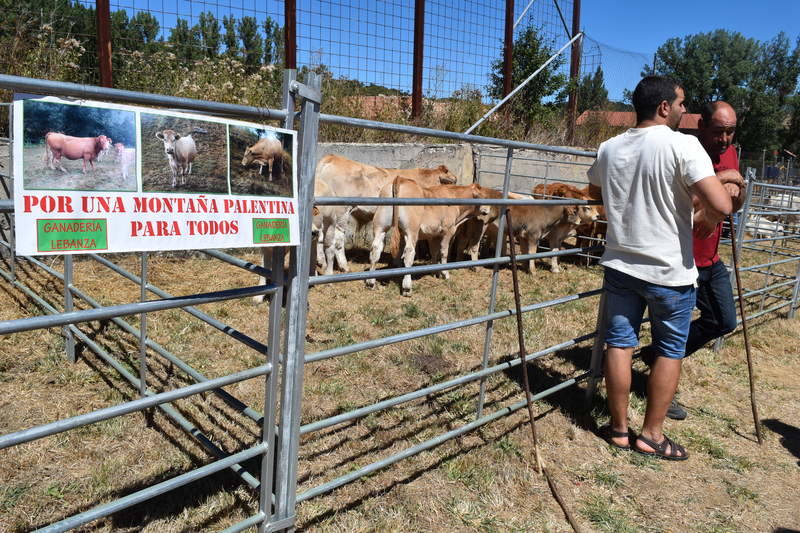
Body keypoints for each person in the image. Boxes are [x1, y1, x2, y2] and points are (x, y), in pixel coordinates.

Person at [587, 76, 732, 460]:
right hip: (669, 271)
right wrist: (714, 201)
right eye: (682, 104)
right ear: (664, 107)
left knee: (620, 344)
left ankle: (619, 429)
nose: (685, 111)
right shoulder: (683, 145)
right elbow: (722, 205)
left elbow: (595, 191)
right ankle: (652, 435)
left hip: (621, 264)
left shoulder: (609, 147)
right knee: (669, 350)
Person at [642, 101, 745, 421]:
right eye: (718, 132)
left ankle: (654, 357)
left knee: (724, 321)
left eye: (730, 132)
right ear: (702, 126)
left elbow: (734, 203)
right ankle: (660, 386)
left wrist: (736, 188)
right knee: (670, 329)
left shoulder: (731, 153)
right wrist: (726, 178)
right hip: (681, 257)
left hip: (710, 257)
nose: (725, 139)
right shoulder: (684, 149)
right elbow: (686, 199)